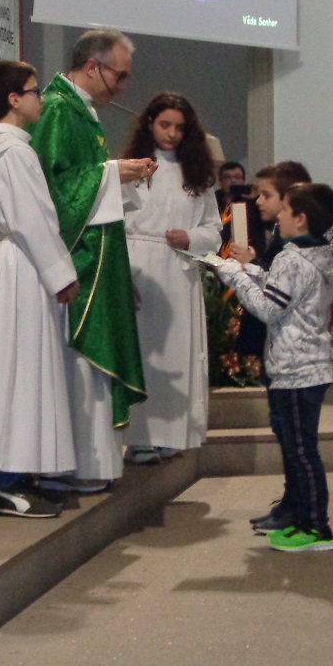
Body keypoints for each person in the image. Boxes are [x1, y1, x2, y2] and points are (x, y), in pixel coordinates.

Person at [27, 28, 151, 492]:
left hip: (99, 257)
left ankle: (94, 463)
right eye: (120, 75)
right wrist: (112, 172)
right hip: (77, 259)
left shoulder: (82, 111)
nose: (122, 86)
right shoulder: (58, 109)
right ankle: (76, 464)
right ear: (93, 66)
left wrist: (119, 177)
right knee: (79, 364)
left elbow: (85, 179)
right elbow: (51, 189)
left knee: (92, 369)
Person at [0, 60, 79, 518]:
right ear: (14, 99)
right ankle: (7, 481)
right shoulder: (13, 153)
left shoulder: (12, 147)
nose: (42, 99)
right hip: (22, 263)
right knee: (18, 370)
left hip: (23, 264)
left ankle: (27, 470)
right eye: (36, 91)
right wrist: (62, 274)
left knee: (28, 368)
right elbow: (31, 221)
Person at [218, 182, 333, 552]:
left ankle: (317, 529)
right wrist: (249, 270)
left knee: (301, 453)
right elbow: (283, 291)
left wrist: (234, 275)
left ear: (300, 219)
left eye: (284, 210)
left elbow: (269, 309)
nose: (278, 218)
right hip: (308, 366)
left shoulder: (290, 258)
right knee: (298, 449)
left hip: (295, 370)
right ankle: (303, 519)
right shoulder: (314, 253)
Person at [120, 92, 220, 464]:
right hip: (139, 265)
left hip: (178, 270)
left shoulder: (197, 175)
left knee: (176, 354)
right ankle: (139, 437)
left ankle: (172, 434)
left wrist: (190, 237)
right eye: (165, 125)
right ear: (150, 123)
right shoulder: (132, 169)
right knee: (144, 353)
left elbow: (213, 229)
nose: (172, 134)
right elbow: (113, 220)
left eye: (179, 127)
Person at [230, 161, 312, 362]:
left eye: (266, 195)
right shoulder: (281, 232)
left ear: (289, 199)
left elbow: (281, 286)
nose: (258, 201)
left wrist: (251, 264)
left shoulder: (299, 240)